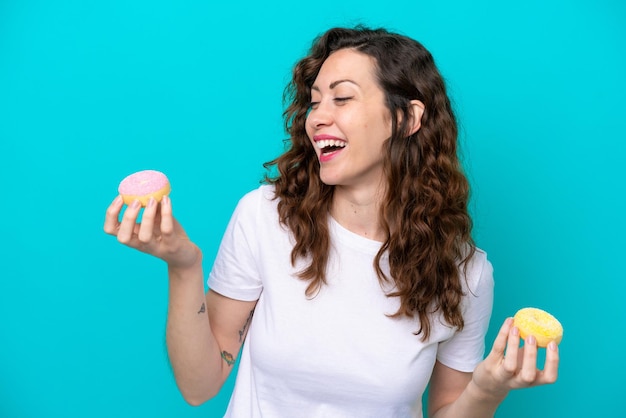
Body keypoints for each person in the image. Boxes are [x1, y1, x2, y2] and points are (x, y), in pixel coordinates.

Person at [104, 26, 559, 417]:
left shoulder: (466, 271)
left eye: (342, 98)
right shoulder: (266, 217)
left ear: (407, 118)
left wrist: (488, 387)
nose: (317, 118)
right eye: (315, 101)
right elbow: (199, 385)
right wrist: (184, 266)